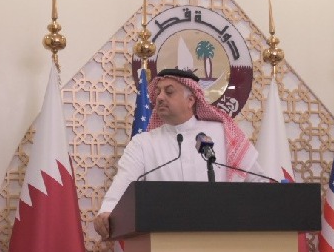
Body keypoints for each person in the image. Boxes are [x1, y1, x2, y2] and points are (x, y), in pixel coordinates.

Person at [94, 68, 265, 239]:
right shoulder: (143, 143)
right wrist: (108, 210)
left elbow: (258, 183)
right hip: (164, 241)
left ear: (190, 100)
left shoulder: (223, 133)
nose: (160, 97)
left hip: (223, 238)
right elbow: (124, 182)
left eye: (169, 92)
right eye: (158, 92)